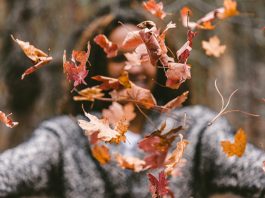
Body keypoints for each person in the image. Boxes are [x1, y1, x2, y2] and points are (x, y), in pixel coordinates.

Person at [0, 2, 265, 198]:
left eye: (144, 55)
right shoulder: (66, 137)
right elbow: (10, 170)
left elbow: (253, 170)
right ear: (98, 70)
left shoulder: (194, 129)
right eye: (118, 59)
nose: (134, 68)